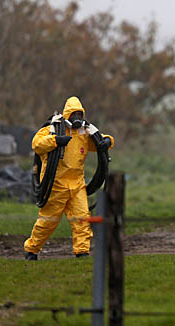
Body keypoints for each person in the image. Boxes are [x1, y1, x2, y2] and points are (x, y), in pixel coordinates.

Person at [24, 96, 114, 260]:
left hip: (77, 184)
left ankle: (82, 252)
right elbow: (37, 144)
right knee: (48, 221)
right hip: (55, 185)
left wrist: (108, 141)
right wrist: (56, 141)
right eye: (74, 115)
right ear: (67, 115)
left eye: (80, 114)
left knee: (82, 219)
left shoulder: (84, 133)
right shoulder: (53, 128)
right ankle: (32, 249)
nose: (77, 118)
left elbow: (98, 141)